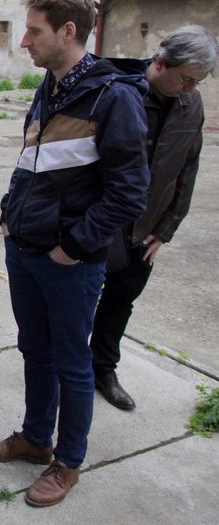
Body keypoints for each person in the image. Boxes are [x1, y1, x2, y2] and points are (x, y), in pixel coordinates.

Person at [0, 0, 149, 508]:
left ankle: (67, 461)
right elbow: (32, 164)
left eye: (33, 31)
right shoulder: (50, 87)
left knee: (73, 361)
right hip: (24, 248)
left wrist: (73, 246)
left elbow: (129, 194)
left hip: (67, 260)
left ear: (67, 31)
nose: (24, 41)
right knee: (35, 350)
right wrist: (8, 216)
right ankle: (34, 437)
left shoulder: (114, 96)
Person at [90, 25, 219, 411]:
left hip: (145, 231)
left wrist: (165, 230)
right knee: (77, 303)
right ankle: (68, 370)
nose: (191, 89)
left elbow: (188, 168)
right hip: (102, 225)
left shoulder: (190, 105)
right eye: (187, 79)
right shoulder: (118, 93)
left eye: (198, 82)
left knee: (121, 301)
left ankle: (103, 369)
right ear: (161, 63)